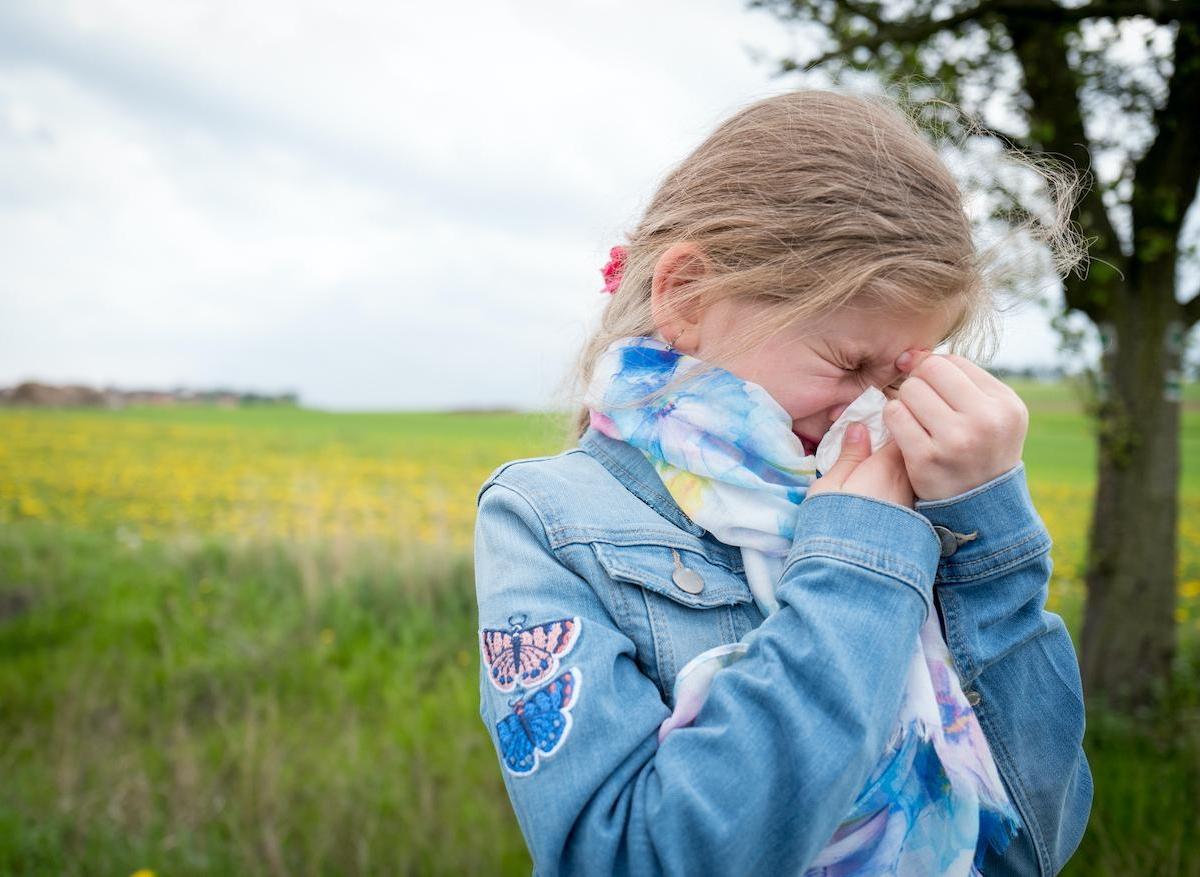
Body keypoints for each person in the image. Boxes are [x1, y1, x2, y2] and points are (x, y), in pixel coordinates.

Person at [473, 89, 1093, 876]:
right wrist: (857, 569)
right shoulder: (550, 520)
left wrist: (989, 530)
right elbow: (631, 858)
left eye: (901, 376)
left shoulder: (914, 500)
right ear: (689, 298)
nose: (873, 406)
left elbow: (1038, 839)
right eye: (850, 363)